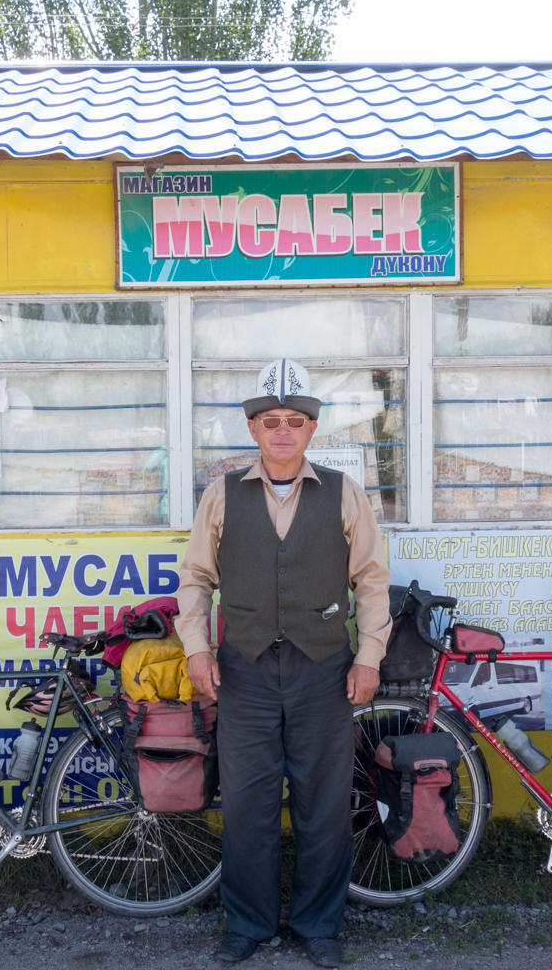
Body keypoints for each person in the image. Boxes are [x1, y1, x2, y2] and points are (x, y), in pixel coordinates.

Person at [176, 358, 392, 968]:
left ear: (311, 429)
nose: (282, 431)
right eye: (270, 421)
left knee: (324, 803)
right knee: (248, 804)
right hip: (243, 669)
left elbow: (372, 581)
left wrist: (369, 657)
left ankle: (319, 924)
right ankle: (249, 922)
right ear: (253, 429)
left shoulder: (344, 492)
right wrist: (197, 647)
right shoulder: (221, 494)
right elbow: (195, 578)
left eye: (294, 421)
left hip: (323, 669)